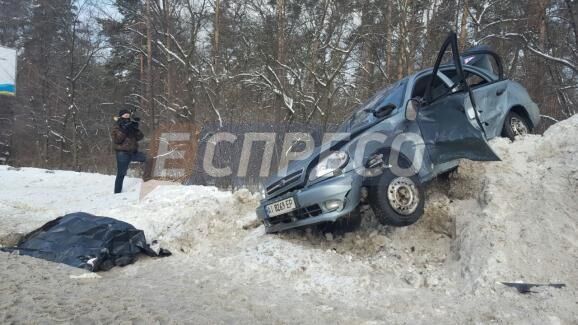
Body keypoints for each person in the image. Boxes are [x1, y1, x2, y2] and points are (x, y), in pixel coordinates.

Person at [111, 109, 146, 194]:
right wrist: (124, 130)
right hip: (122, 153)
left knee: (148, 158)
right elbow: (117, 140)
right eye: (125, 115)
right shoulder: (117, 126)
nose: (127, 116)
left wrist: (135, 128)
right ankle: (117, 193)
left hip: (133, 152)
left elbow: (140, 137)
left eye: (128, 115)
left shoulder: (131, 124)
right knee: (121, 174)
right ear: (121, 116)